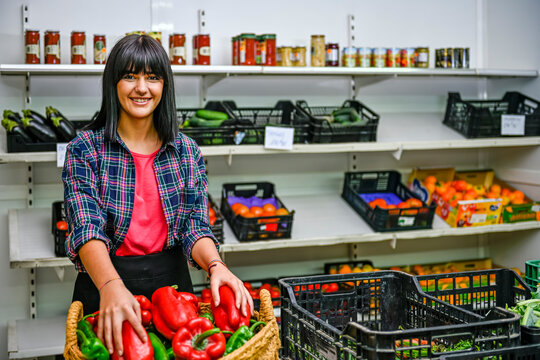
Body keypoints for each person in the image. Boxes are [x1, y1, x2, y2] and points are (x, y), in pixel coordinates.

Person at [62, 34, 252, 357]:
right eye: (129, 76)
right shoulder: (85, 150)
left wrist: (217, 266)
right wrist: (110, 286)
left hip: (174, 296)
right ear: (113, 83)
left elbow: (195, 226)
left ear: (165, 86)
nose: (141, 88)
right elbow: (86, 229)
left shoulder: (185, 151)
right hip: (105, 285)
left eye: (152, 77)